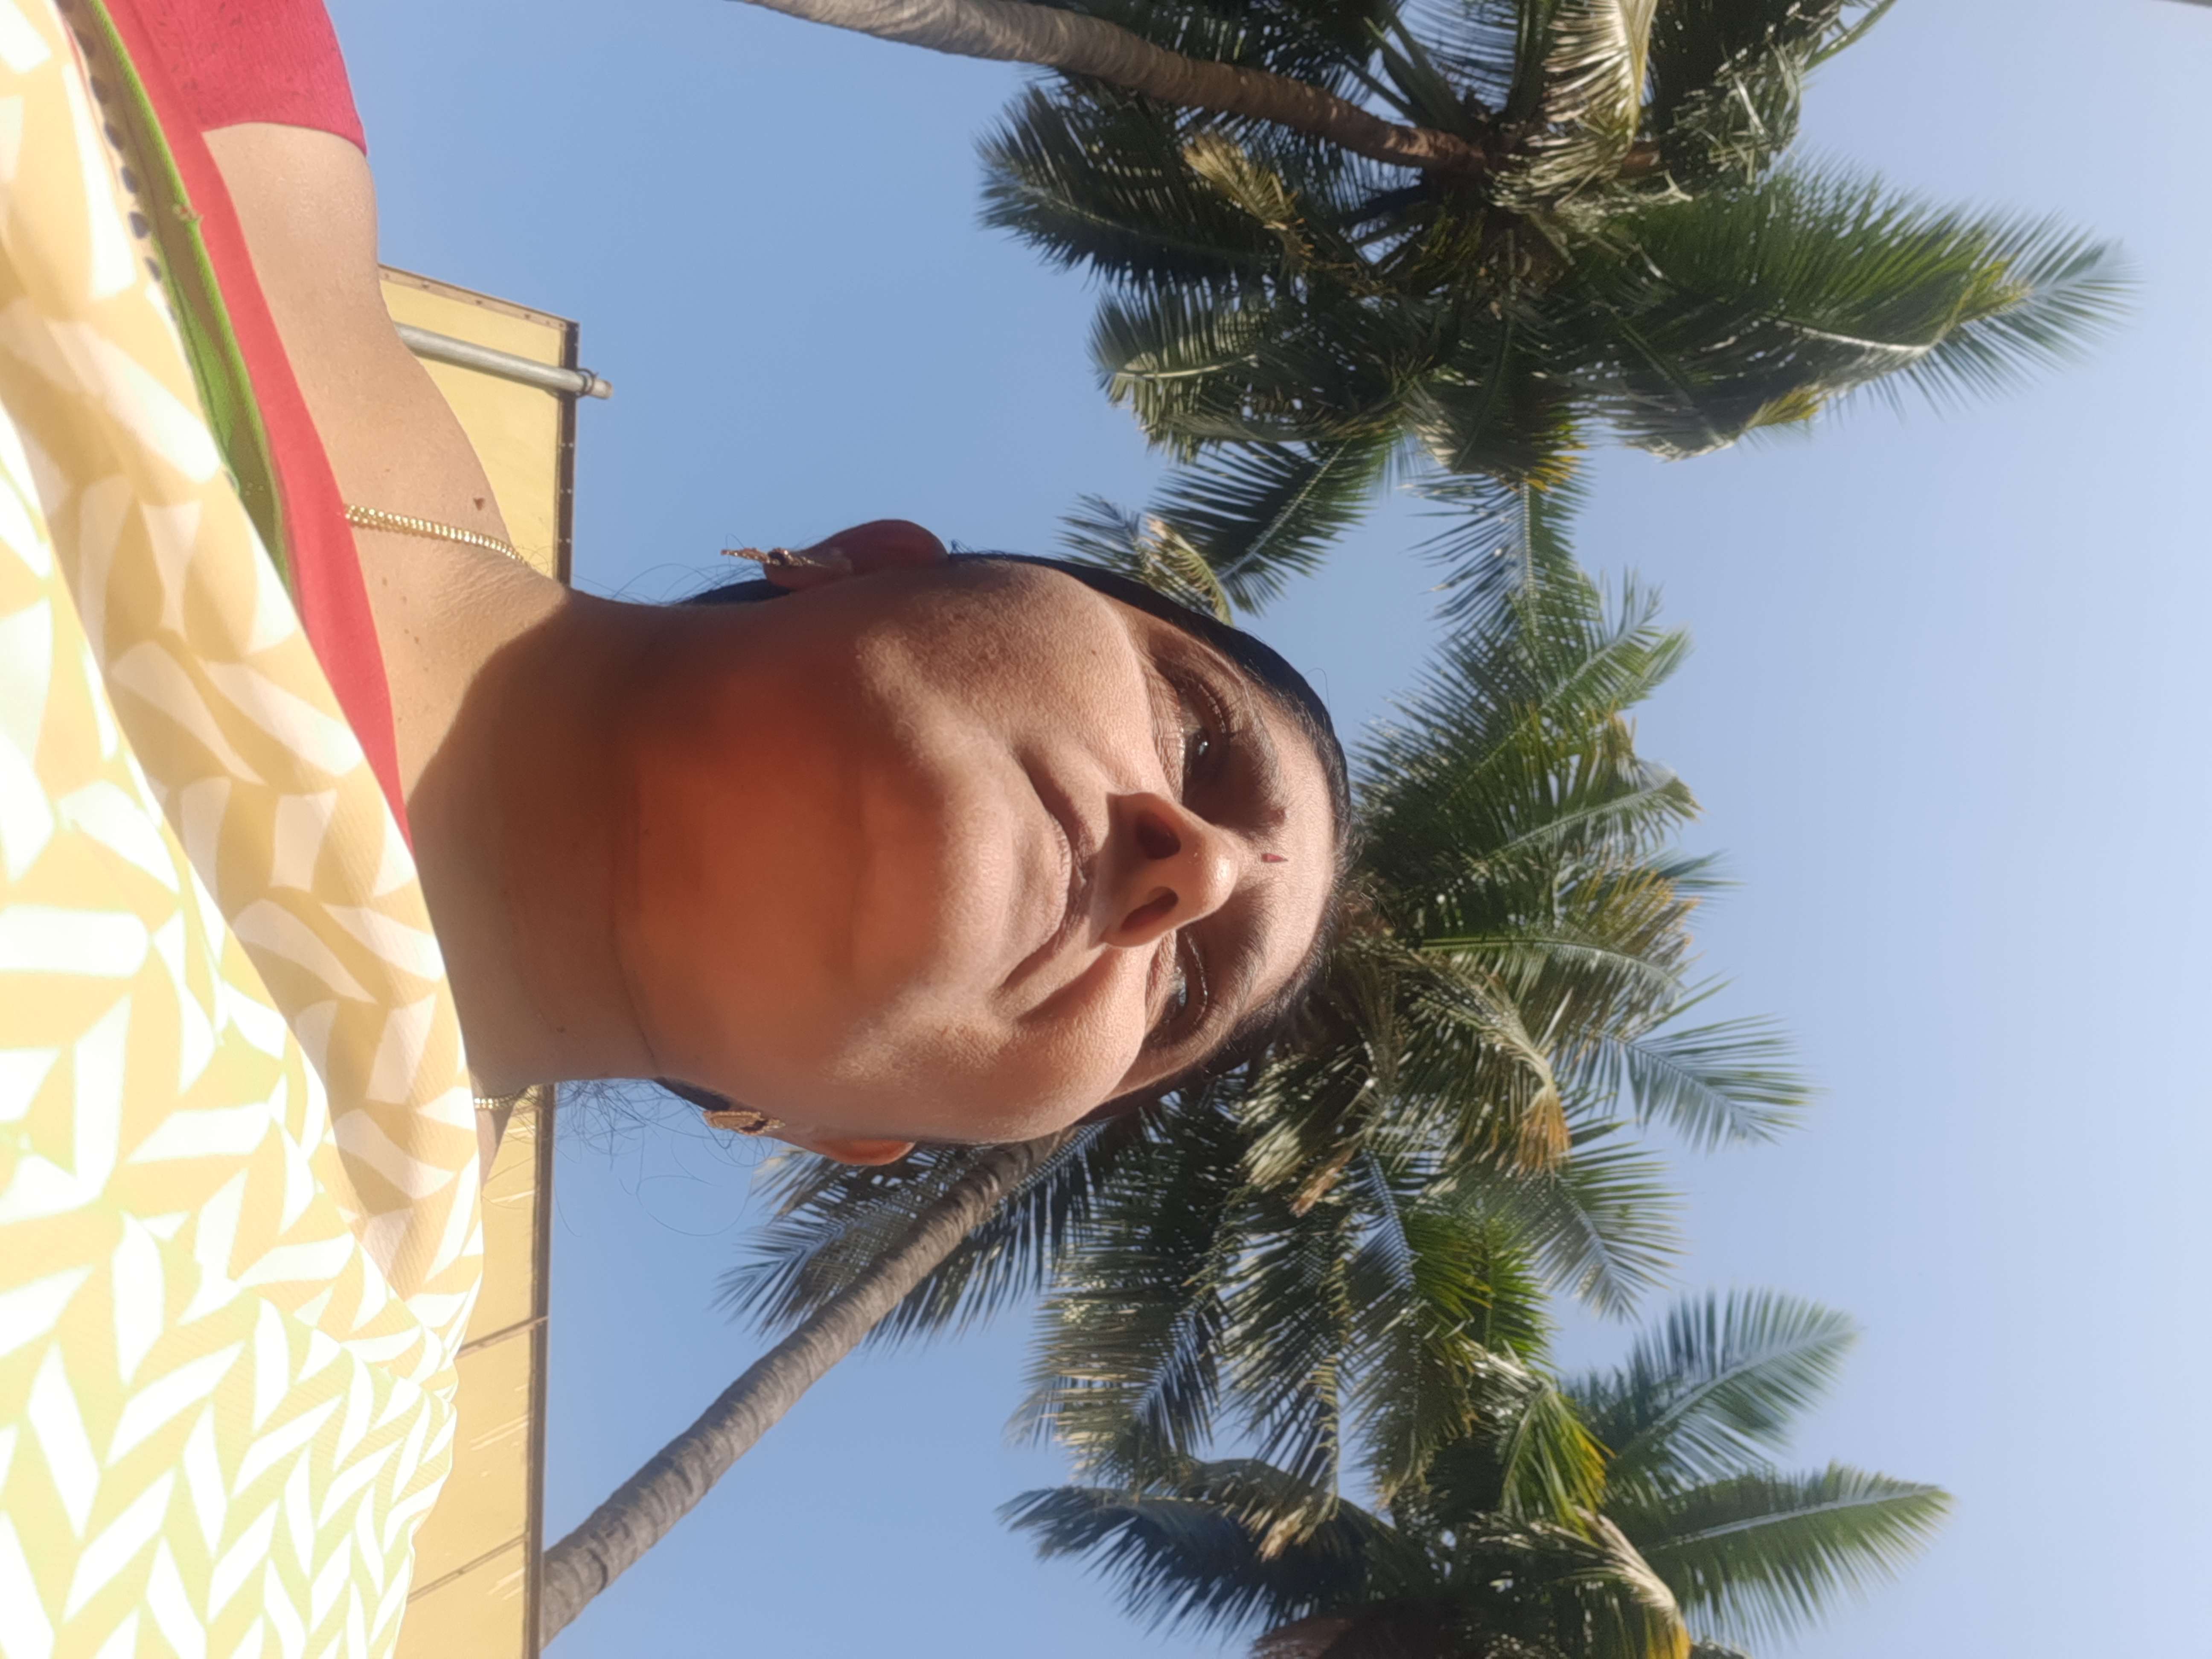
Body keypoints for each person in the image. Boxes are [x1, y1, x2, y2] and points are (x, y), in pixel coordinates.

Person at [0, 0, 1348, 1652]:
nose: (1193, 869)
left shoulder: (274, 1517)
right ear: (868, 557)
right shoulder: (216, 76)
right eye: (1197, 732)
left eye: (1187, 993)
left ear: (847, 1136)